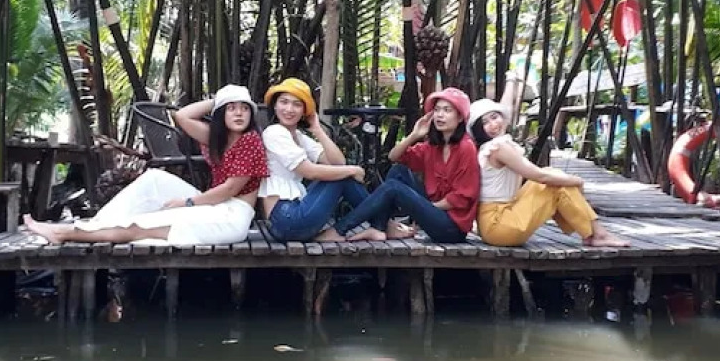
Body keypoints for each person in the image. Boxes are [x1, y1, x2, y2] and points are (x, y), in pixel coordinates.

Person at [24, 84, 268, 246]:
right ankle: (95, 224)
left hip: (230, 217)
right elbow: (182, 116)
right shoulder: (218, 138)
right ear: (221, 114)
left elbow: (229, 190)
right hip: (214, 204)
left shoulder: (251, 141)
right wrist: (220, 98)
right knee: (154, 179)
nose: (239, 113)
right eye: (232, 108)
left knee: (139, 227)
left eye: (244, 108)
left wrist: (187, 202)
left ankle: (64, 234)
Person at [467, 98, 628, 248]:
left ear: (503, 117)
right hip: (498, 225)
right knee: (553, 182)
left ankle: (591, 232)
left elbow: (510, 102)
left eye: (494, 117)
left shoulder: (495, 146)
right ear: (479, 130)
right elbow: (538, 176)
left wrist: (512, 79)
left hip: (495, 220)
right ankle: (597, 233)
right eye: (485, 123)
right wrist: (577, 181)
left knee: (553, 175)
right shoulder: (497, 148)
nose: (493, 125)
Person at [332, 87, 480, 244]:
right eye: (437, 110)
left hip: (451, 228)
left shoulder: (466, 147)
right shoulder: (433, 146)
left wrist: (425, 207)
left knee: (393, 188)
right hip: (434, 211)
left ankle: (339, 229)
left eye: (447, 110)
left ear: (459, 117)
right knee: (398, 171)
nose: (440, 115)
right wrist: (414, 135)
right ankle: (378, 228)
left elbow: (461, 198)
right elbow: (394, 156)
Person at [259, 77, 376, 242]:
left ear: (304, 112)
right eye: (284, 102)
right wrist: (352, 170)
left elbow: (337, 163)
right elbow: (309, 171)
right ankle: (380, 224)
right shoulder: (274, 132)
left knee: (341, 175)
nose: (289, 109)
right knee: (342, 176)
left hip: (293, 218)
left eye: (297, 104)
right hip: (286, 220)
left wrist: (317, 129)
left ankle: (379, 225)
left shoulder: (298, 136)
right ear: (275, 105)